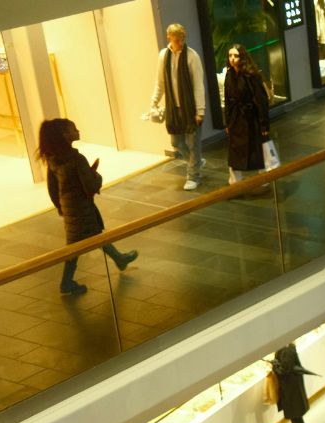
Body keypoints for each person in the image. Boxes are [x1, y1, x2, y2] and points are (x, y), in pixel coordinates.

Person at [36, 119, 138, 295]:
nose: (77, 131)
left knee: (93, 235)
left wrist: (60, 207)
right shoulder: (76, 159)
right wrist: (96, 175)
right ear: (65, 135)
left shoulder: (53, 159)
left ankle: (119, 259)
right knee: (77, 245)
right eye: (73, 129)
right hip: (81, 207)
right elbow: (91, 185)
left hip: (70, 208)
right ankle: (66, 282)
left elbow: (53, 189)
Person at [151, 23, 206, 191]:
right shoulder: (163, 56)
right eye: (176, 38)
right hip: (173, 108)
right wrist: (154, 101)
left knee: (192, 143)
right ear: (169, 37)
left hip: (190, 109)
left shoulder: (192, 56)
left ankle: (193, 176)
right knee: (176, 142)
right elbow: (160, 82)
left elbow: (198, 85)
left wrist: (200, 110)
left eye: (182, 38)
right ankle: (195, 161)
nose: (180, 42)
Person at [223, 43, 270, 185]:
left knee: (258, 150)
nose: (232, 59)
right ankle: (235, 182)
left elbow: (261, 100)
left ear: (242, 57)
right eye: (230, 55)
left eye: (236, 56)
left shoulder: (251, 75)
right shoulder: (229, 74)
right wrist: (228, 121)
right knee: (235, 152)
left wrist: (264, 125)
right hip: (236, 119)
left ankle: (265, 179)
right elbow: (227, 99)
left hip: (251, 119)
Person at [272, 343, 313, 423]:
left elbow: (283, 371)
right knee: (297, 418)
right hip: (294, 389)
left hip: (290, 391)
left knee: (296, 418)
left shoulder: (285, 352)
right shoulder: (289, 348)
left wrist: (274, 364)